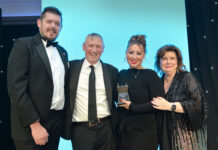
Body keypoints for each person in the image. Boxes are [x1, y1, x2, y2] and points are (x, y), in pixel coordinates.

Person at [7, 7, 68, 150]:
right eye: (49, 22)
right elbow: (16, 89)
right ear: (39, 23)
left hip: (55, 125)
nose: (53, 26)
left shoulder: (63, 52)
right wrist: (34, 124)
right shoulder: (23, 45)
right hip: (30, 128)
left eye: (57, 24)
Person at [62, 33, 118, 150]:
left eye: (98, 46)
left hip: (106, 128)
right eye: (90, 45)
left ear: (103, 49)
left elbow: (122, 99)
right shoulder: (70, 68)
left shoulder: (112, 71)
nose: (94, 50)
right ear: (84, 47)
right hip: (81, 130)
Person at [151, 45, 207, 150]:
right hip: (165, 135)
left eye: (172, 58)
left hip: (185, 136)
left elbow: (198, 105)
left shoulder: (187, 77)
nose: (168, 62)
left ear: (178, 61)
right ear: (159, 62)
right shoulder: (158, 82)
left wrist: (170, 106)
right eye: (164, 59)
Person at [116, 35, 165, 150]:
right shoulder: (121, 74)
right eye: (131, 52)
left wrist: (133, 107)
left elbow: (158, 103)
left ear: (143, 56)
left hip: (145, 131)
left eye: (138, 53)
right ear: (126, 53)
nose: (134, 57)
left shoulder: (151, 75)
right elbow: (122, 101)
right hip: (125, 131)